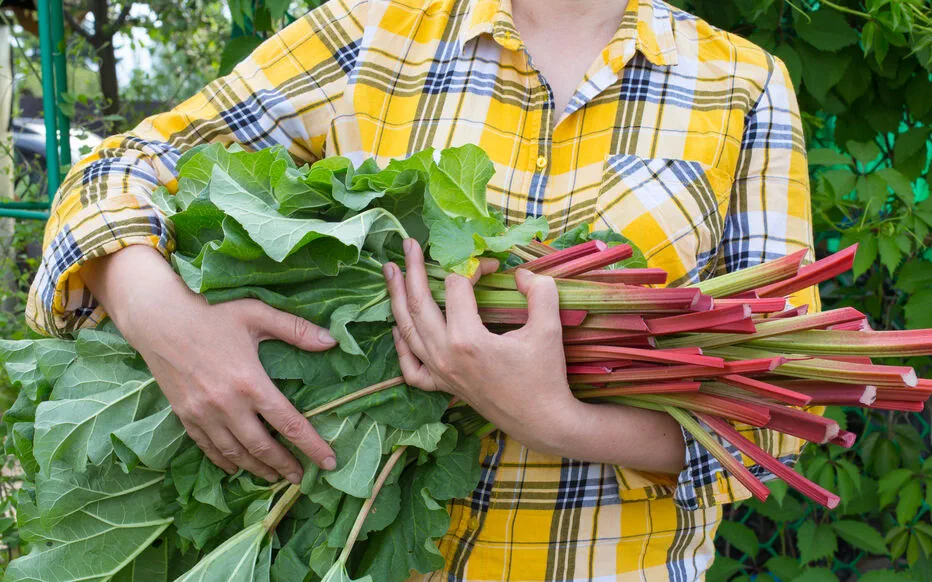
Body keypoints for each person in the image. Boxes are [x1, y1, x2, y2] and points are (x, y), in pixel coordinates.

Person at [27, 0, 820, 579]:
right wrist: (166, 322)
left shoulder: (742, 84)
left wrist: (558, 421)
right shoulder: (374, 31)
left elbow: (783, 412)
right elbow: (117, 169)